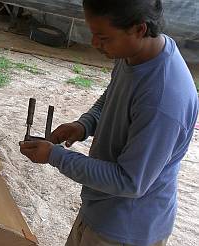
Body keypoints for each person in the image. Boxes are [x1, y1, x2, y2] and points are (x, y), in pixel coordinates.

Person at [19, 0, 199, 245]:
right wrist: (85, 124)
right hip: (102, 208)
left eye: (103, 38)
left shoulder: (163, 98)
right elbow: (112, 95)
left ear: (140, 29)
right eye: (94, 34)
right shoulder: (133, 53)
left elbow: (129, 181)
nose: (95, 44)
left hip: (127, 229)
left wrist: (55, 156)